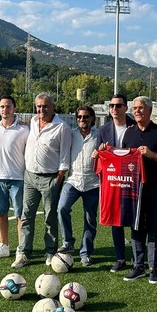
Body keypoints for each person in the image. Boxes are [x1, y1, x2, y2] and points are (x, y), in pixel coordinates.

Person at [11, 93, 71, 268]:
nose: (41, 109)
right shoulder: (33, 122)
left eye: (45, 106)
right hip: (30, 176)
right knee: (26, 216)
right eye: (38, 106)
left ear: (53, 107)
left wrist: (59, 178)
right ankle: (23, 252)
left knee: (50, 217)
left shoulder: (62, 127)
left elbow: (65, 156)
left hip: (50, 178)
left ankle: (50, 251)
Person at [122, 96, 157, 284]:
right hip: (134, 189)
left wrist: (151, 154)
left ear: (150, 110)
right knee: (136, 226)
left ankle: (153, 268)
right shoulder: (129, 132)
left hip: (155, 187)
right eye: (135, 108)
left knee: (153, 228)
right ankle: (138, 265)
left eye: (141, 108)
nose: (137, 111)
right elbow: (123, 158)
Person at [96, 94, 136, 272]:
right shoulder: (103, 130)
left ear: (125, 108)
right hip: (113, 182)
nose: (114, 109)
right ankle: (120, 258)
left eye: (118, 106)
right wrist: (100, 152)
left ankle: (137, 257)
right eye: (111, 106)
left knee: (135, 220)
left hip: (131, 180)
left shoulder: (135, 127)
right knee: (116, 221)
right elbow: (98, 156)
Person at [0, 95, 29, 260]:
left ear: (15, 109)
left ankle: (21, 248)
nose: (5, 109)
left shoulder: (24, 130)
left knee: (20, 215)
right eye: (2, 107)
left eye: (8, 106)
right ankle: (3, 245)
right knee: (1, 213)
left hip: (18, 179)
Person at [57, 105, 99, 267]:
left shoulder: (99, 135)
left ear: (92, 118)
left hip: (93, 183)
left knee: (90, 219)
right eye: (80, 117)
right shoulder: (71, 134)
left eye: (86, 117)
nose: (82, 120)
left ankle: (85, 253)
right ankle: (68, 242)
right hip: (73, 180)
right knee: (62, 208)